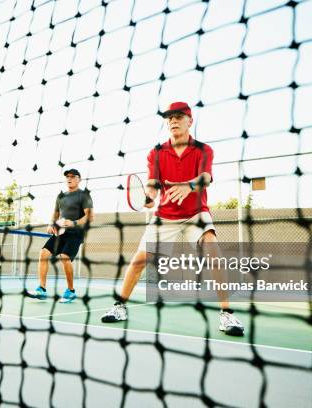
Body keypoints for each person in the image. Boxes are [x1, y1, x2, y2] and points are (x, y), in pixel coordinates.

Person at [100, 101, 244, 336]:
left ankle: (227, 315)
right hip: (165, 215)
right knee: (138, 261)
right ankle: (119, 306)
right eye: (170, 118)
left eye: (179, 116)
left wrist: (189, 186)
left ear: (190, 121)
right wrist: (148, 196)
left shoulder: (203, 150)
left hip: (196, 212)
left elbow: (206, 177)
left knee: (213, 251)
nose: (173, 121)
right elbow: (153, 185)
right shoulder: (156, 153)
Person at [34, 169, 93, 303]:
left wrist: (73, 223)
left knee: (65, 257)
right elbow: (55, 214)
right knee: (43, 253)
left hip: (75, 234)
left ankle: (70, 291)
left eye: (72, 176)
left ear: (79, 179)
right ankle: (41, 290)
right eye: (67, 176)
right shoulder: (61, 196)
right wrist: (51, 224)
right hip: (60, 233)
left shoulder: (84, 196)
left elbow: (88, 216)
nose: (69, 178)